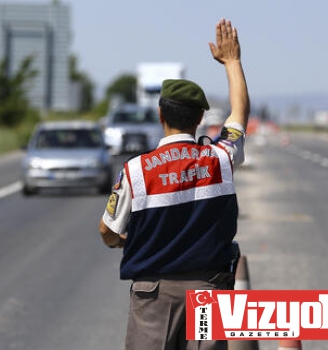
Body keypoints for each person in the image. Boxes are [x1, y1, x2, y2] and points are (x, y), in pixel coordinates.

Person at [98, 18, 250, 350]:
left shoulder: (136, 171)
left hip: (153, 297)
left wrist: (128, 241)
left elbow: (107, 231)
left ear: (160, 115)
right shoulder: (220, 159)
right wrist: (233, 62)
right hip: (208, 296)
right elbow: (239, 114)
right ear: (199, 119)